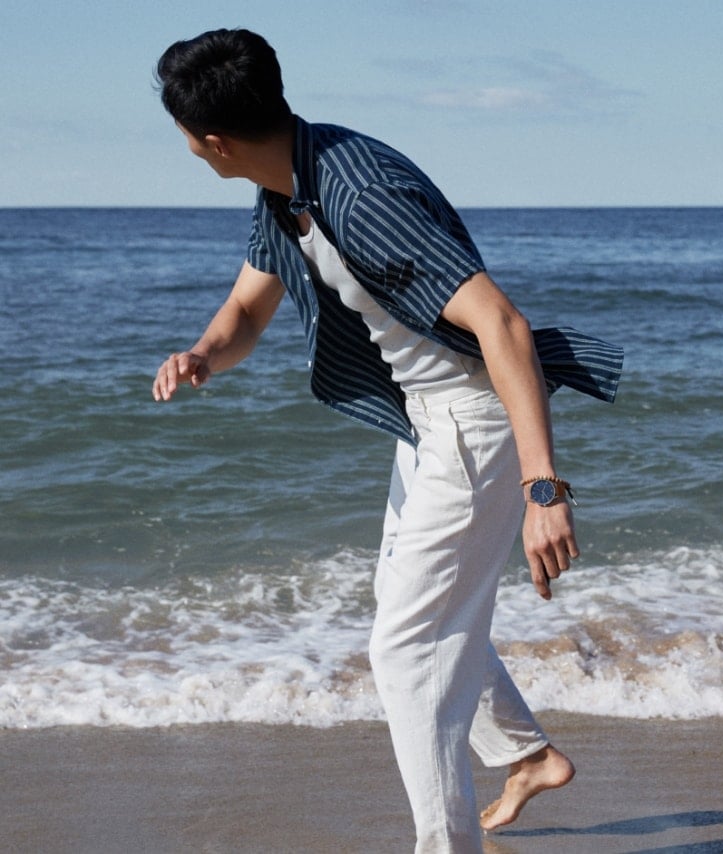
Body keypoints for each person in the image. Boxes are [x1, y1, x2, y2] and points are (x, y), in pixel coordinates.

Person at [152, 28, 622, 853]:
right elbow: (247, 313)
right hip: (426, 420)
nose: (186, 146)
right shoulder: (285, 182)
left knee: (405, 650)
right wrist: (201, 355)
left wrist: (543, 490)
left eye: (184, 133)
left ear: (212, 141)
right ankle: (527, 754)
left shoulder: (358, 195)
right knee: (423, 619)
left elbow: (501, 323)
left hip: (474, 420)